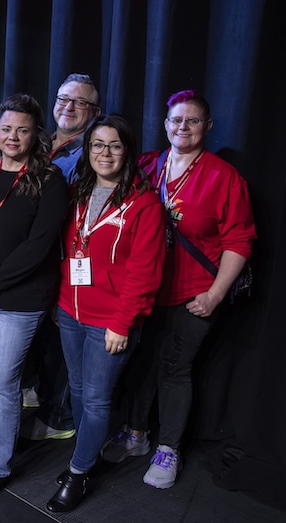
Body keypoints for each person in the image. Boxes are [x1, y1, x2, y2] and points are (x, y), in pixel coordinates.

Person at [102, 90, 255, 490]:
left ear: (208, 126)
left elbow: (239, 242)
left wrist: (215, 295)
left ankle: (168, 448)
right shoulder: (146, 165)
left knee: (175, 369)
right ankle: (136, 434)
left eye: (192, 120)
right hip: (145, 290)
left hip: (193, 295)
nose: (182, 127)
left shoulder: (223, 177)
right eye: (176, 120)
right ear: (165, 124)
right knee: (140, 363)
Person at [45, 114, 166, 513]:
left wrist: (122, 322)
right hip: (70, 311)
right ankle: (88, 456)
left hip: (111, 321)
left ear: (127, 151)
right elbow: (65, 252)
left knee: (96, 400)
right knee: (79, 391)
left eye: (115, 145)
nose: (105, 153)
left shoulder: (144, 204)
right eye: (97, 144)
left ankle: (78, 473)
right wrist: (59, 302)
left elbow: (144, 273)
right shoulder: (76, 191)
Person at [0, 93, 68, 500]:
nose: (13, 137)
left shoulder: (50, 180)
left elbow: (39, 247)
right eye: (6, 129)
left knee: (0, 383)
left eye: (22, 130)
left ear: (35, 133)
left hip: (19, 299)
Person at [21, 73, 104, 442]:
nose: (69, 107)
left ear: (95, 112)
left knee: (62, 345)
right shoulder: (39, 142)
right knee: (39, 341)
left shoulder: (92, 153)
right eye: (64, 99)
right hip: (31, 259)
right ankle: (39, 395)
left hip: (67, 261)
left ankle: (59, 418)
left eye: (80, 102)